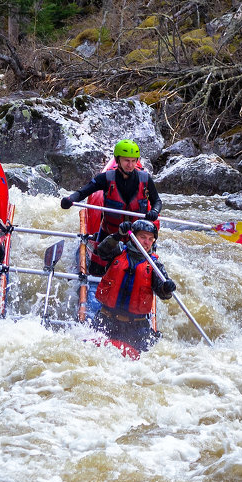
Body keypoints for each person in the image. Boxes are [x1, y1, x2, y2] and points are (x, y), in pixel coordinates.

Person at [59, 138, 163, 274]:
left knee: (140, 270)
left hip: (137, 236)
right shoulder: (106, 178)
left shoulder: (145, 179)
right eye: (126, 160)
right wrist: (69, 199)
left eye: (133, 161)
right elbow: (83, 192)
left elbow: (157, 201)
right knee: (97, 270)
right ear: (118, 160)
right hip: (110, 234)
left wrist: (154, 210)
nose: (130, 165)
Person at [90, 219, 175, 353]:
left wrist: (167, 288)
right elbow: (102, 251)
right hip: (107, 319)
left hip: (135, 327)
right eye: (142, 237)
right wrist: (118, 235)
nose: (146, 242)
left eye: (150, 239)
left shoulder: (154, 265)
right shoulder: (118, 251)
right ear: (133, 236)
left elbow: (164, 294)